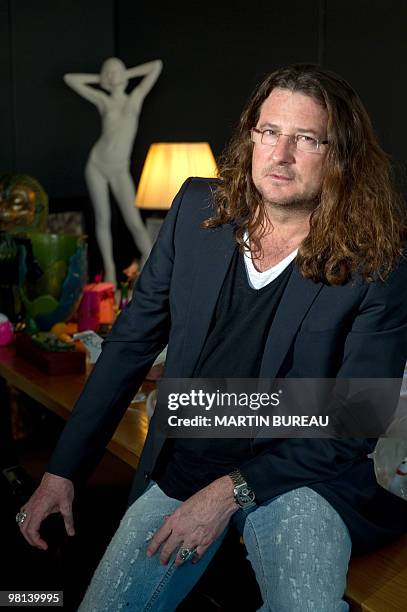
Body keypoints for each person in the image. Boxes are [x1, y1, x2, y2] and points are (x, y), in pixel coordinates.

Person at [17, 64, 407, 611]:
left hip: (305, 477)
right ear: (252, 134)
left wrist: (230, 482)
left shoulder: (377, 261)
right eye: (270, 132)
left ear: (340, 154)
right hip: (188, 462)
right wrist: (61, 471)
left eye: (305, 139)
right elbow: (131, 344)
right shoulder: (197, 209)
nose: (281, 154)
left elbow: (356, 418)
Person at [64, 57, 163, 287]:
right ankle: (109, 272)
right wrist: (102, 80)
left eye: (115, 71)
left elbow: (156, 66)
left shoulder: (135, 99)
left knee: (134, 221)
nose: (112, 75)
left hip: (119, 168)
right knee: (102, 219)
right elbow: (70, 80)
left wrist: (124, 74)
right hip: (97, 164)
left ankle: (150, 264)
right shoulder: (103, 101)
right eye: (107, 73)